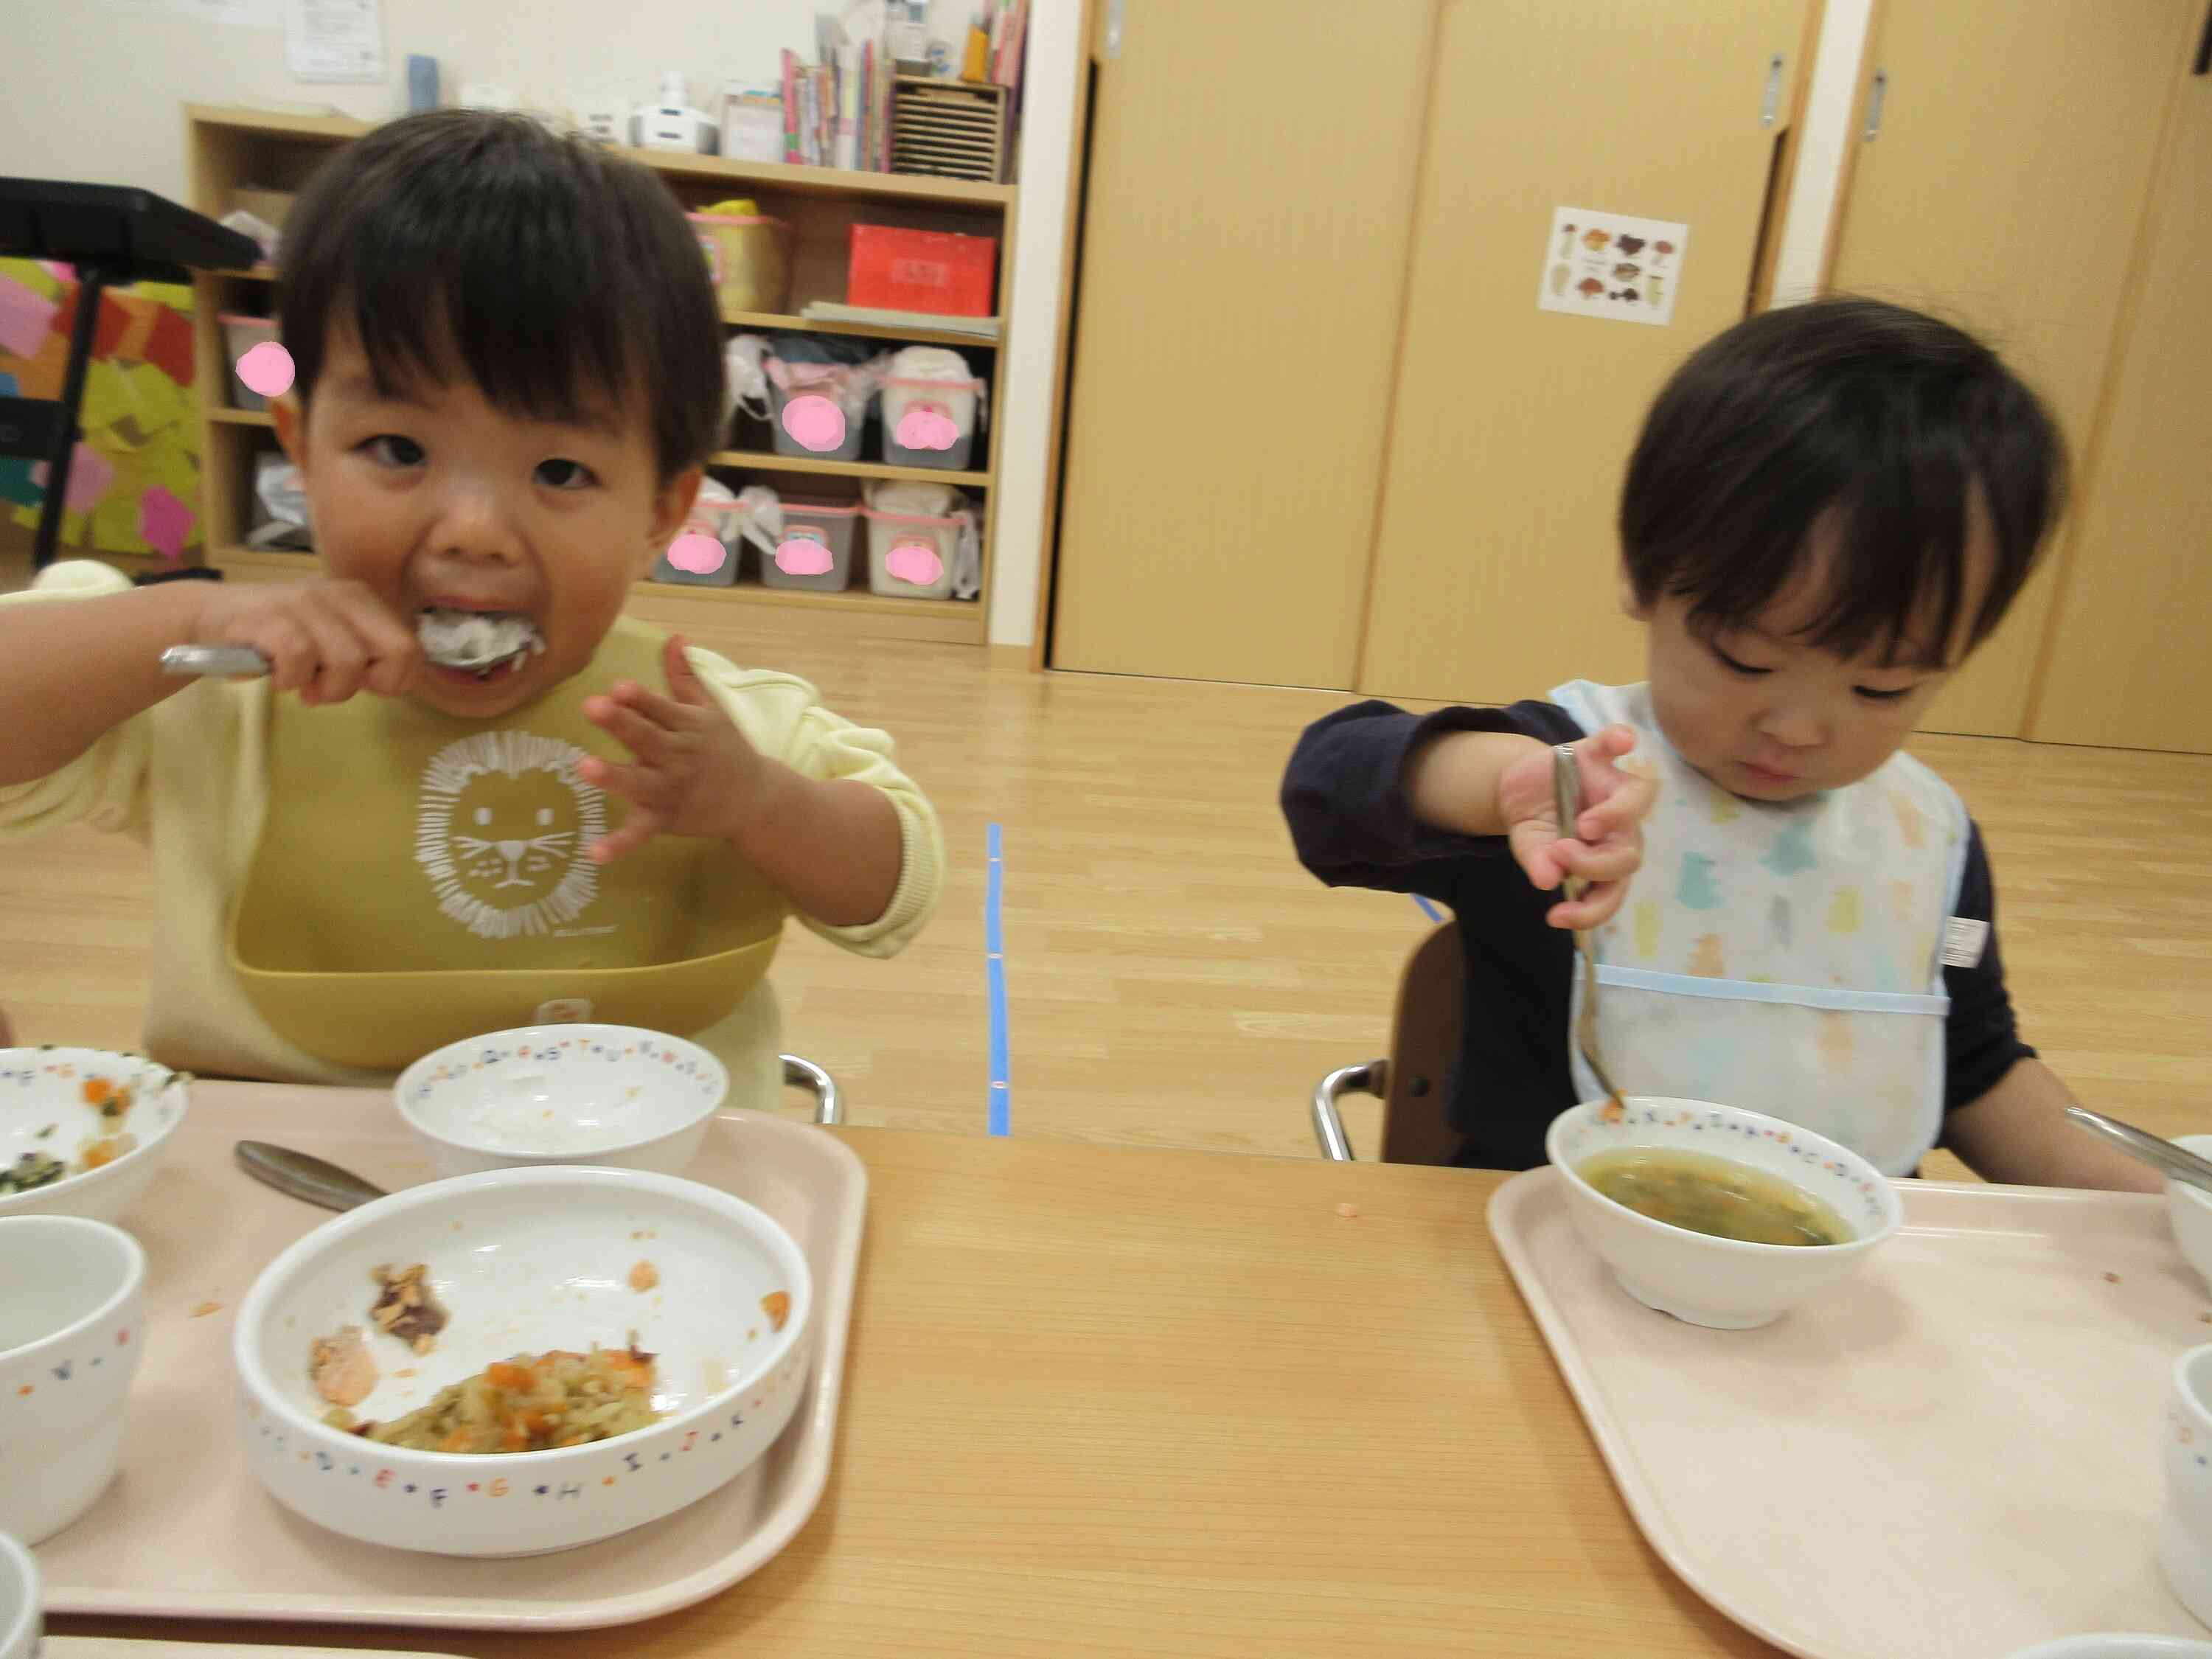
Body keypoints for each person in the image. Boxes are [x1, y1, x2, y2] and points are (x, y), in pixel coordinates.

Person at [0, 111, 942, 1104]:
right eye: (399, 451)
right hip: (275, 1187)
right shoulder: (209, 699)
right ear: (302, 446)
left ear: (663, 507)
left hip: (644, 1199)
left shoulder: (709, 724)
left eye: (562, 469)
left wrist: (761, 802)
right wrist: (184, 620)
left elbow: (897, 890)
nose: (473, 531)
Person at [1282, 297, 2156, 1190]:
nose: (1799, 728)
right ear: (1641, 571)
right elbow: (1325, 791)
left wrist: (2158, 1208)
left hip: (1831, 1300)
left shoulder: (1928, 840)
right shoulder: (1576, 776)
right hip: (1536, 1255)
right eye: (1745, 658)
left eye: (1880, 688)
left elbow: (1975, 1064)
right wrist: (1497, 778)